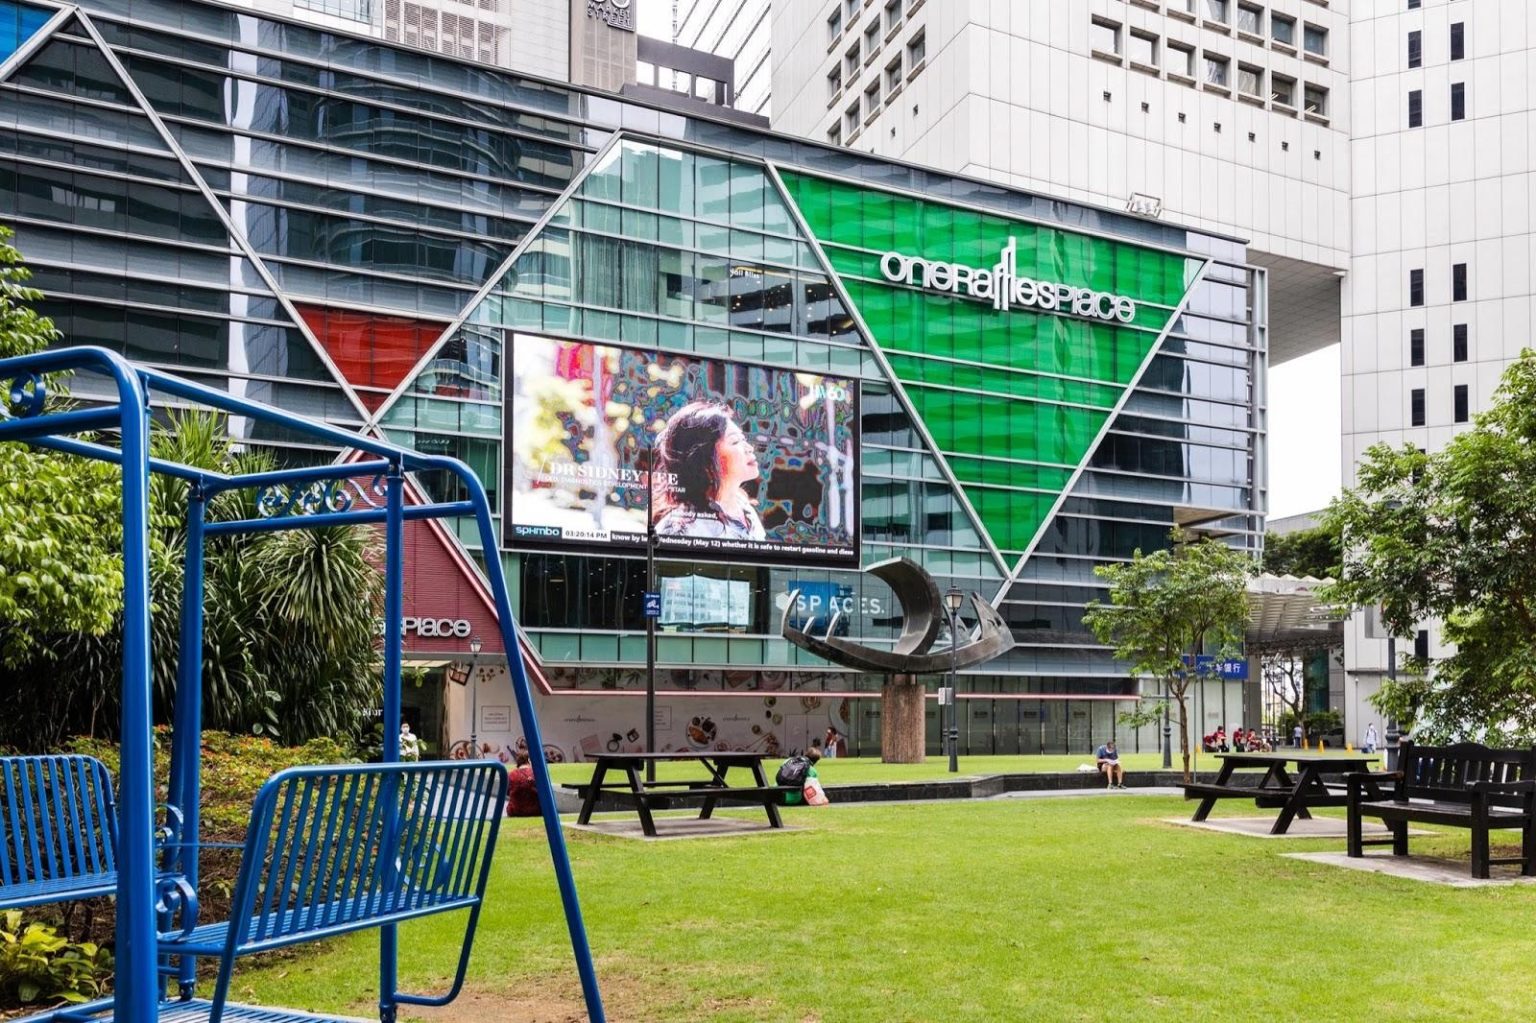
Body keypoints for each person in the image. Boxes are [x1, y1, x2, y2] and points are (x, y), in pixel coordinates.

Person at [651, 401, 767, 541]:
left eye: (743, 439)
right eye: (735, 441)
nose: (749, 448)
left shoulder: (744, 507)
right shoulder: (679, 529)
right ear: (705, 461)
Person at [506, 749, 540, 817]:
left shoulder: (511, 775)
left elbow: (507, 792)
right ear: (529, 760)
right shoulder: (537, 773)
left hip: (515, 811)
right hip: (536, 810)